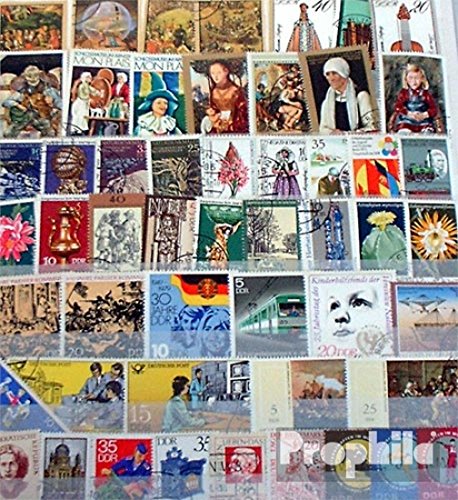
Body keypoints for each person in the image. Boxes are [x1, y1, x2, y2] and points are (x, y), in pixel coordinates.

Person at [319, 57, 377, 134]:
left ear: (343, 74)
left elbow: (371, 126)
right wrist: (332, 133)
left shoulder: (361, 96)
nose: (331, 78)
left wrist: (348, 134)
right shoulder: (327, 103)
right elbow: (323, 129)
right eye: (327, 74)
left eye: (334, 73)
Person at [2, 64, 62, 138]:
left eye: (35, 78)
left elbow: (61, 104)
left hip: (41, 117)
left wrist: (52, 103)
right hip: (25, 117)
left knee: (50, 133)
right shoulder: (22, 90)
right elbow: (6, 102)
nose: (33, 83)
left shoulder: (48, 90)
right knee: (8, 133)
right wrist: (18, 105)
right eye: (30, 79)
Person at [388, 63, 443, 134]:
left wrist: (424, 115)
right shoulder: (404, 93)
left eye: (417, 78)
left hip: (423, 122)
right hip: (407, 121)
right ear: (406, 79)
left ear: (422, 79)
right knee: (403, 133)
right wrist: (409, 114)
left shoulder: (426, 94)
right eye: (411, 78)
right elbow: (398, 107)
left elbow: (433, 109)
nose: (414, 81)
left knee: (428, 133)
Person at [203, 61, 248, 133]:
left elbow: (242, 109)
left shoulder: (235, 90)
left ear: (226, 71)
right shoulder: (214, 91)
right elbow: (214, 108)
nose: (216, 76)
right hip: (218, 124)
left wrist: (231, 122)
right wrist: (212, 113)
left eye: (219, 73)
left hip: (235, 125)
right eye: (213, 73)